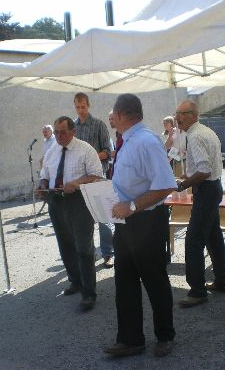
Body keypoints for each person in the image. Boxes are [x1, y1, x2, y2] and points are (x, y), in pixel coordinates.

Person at [104, 94, 176, 358]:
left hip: (145, 221)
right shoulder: (127, 141)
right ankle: (131, 339)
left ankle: (165, 336)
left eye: (113, 113)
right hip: (126, 222)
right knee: (125, 282)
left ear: (123, 115)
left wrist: (132, 206)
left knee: (154, 280)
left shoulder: (146, 141)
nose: (111, 117)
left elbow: (166, 184)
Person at [38, 116, 103, 312]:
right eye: (56, 132)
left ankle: (89, 294)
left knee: (83, 247)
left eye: (62, 132)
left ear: (73, 131)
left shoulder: (86, 149)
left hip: (79, 202)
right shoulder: (52, 150)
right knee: (65, 244)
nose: (58, 136)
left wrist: (77, 183)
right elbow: (45, 174)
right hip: (56, 202)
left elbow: (97, 175)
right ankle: (75, 281)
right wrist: (42, 186)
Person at [174, 100, 225, 308]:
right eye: (177, 113)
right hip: (212, 188)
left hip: (206, 189)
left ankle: (197, 290)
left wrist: (184, 184)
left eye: (182, 113)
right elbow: (205, 168)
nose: (178, 117)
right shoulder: (204, 131)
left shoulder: (196, 135)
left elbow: (204, 171)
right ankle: (223, 281)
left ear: (193, 115)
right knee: (213, 236)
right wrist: (188, 178)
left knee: (194, 240)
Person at [73, 92, 114, 268]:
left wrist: (89, 157)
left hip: (97, 177)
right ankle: (86, 255)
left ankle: (108, 253)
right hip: (79, 180)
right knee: (82, 220)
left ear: (88, 105)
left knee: (103, 218)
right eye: (77, 107)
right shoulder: (72, 127)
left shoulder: (99, 125)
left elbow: (108, 152)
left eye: (83, 106)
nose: (80, 110)